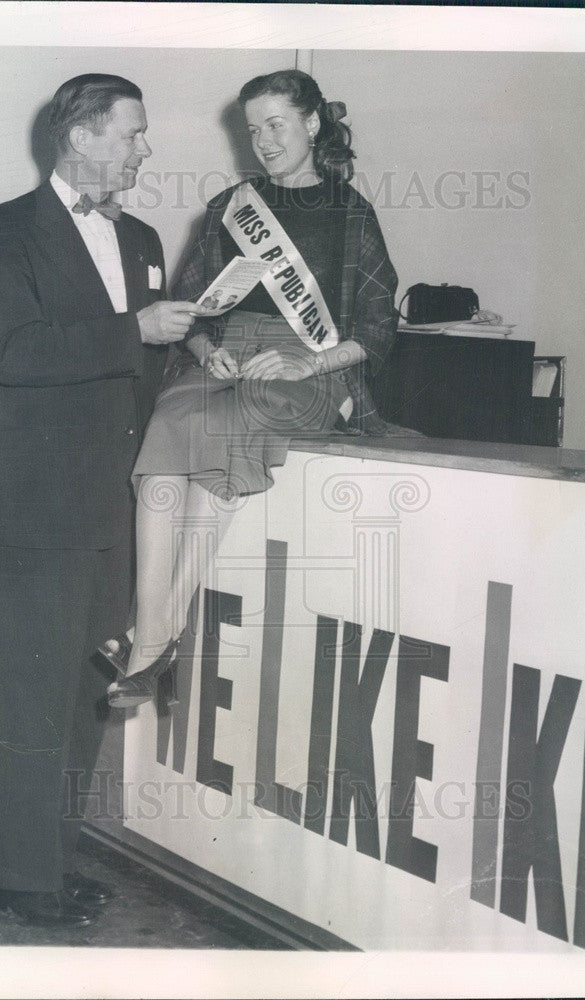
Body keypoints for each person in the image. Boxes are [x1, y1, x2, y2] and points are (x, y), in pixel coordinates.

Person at [0, 74, 203, 927]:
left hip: (118, 504)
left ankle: (55, 862)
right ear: (83, 136)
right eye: (133, 133)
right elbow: (17, 353)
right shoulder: (0, 235)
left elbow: (139, 374)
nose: (145, 148)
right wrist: (133, 331)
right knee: (32, 692)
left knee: (85, 691)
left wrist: (203, 351)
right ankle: (22, 880)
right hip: (39, 507)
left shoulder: (139, 236)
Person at [105, 69, 398, 708]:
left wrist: (308, 364)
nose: (263, 141)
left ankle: (148, 643)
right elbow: (186, 309)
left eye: (276, 125)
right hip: (225, 362)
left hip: (307, 370)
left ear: (313, 123)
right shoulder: (231, 206)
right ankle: (158, 632)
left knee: (221, 431)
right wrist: (208, 351)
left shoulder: (352, 213)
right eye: (253, 129)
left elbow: (379, 329)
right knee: (166, 426)